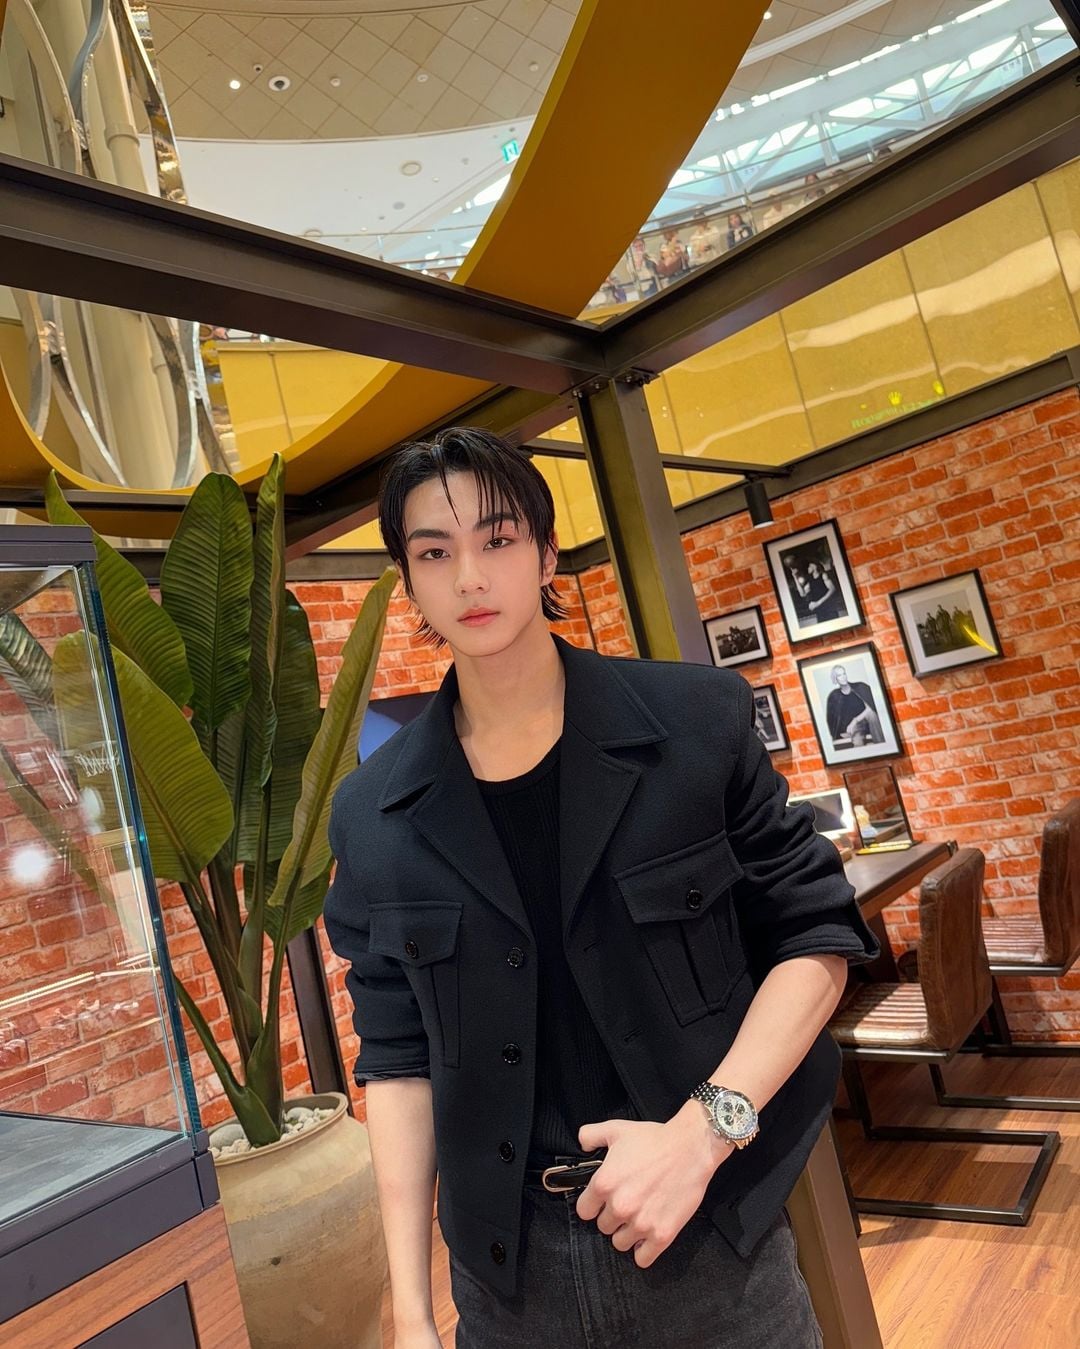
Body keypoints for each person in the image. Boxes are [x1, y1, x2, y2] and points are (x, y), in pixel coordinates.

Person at [323, 428, 878, 1349]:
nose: (470, 577)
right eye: (435, 552)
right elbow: (396, 1058)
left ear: (546, 553)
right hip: (508, 1284)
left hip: (706, 1240)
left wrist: (703, 1134)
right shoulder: (373, 814)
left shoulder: (694, 725)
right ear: (409, 581)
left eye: (498, 539)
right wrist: (413, 1316)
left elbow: (816, 936)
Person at [825, 665, 883, 748]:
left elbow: (871, 707)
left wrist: (855, 721)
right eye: (839, 675)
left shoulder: (860, 687)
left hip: (868, 722)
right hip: (854, 728)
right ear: (835, 679)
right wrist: (839, 733)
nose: (843, 677)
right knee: (858, 742)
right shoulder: (834, 696)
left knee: (872, 715)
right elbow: (831, 719)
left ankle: (882, 746)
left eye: (844, 674)